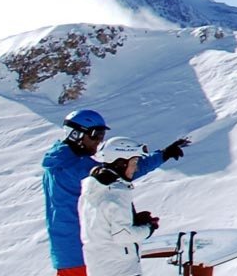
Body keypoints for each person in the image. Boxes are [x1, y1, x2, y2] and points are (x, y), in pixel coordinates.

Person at [41, 110, 188, 276]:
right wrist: (162, 156)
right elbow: (121, 171)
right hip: (82, 251)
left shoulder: (58, 161)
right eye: (95, 135)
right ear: (75, 134)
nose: (98, 142)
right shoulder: (74, 167)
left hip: (69, 249)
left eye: (102, 136)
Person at [79, 137, 161, 276]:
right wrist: (148, 228)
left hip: (101, 266)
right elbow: (123, 235)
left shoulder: (94, 190)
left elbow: (105, 225)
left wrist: (133, 220)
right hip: (120, 269)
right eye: (134, 162)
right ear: (121, 163)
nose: (136, 167)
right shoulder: (115, 194)